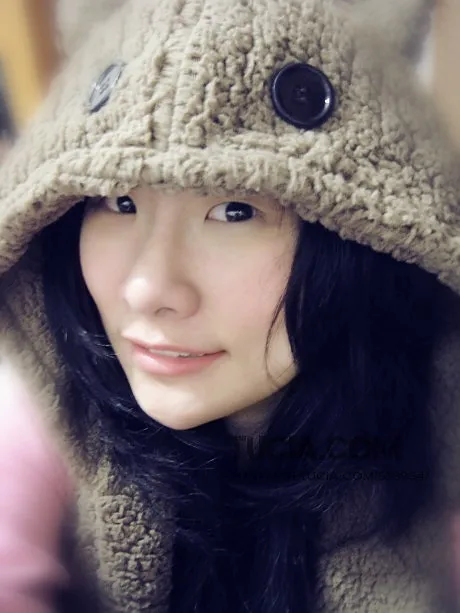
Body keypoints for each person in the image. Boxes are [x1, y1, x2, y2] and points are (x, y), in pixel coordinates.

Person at [0, 0, 459, 610]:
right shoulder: (42, 417)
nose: (147, 290)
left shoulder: (438, 444)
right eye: (118, 201)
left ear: (362, 237)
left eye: (235, 210)